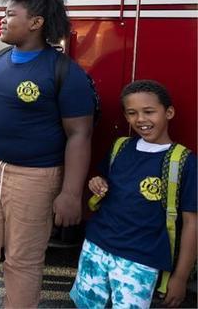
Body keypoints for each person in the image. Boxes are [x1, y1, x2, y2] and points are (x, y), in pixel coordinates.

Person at [0, 0, 95, 308]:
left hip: (36, 178)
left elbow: (80, 135)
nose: (2, 21)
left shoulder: (65, 72)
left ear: (36, 23)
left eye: (10, 14)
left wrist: (71, 194)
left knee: (22, 258)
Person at [70, 80, 196, 309]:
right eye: (132, 113)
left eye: (149, 112)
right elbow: (103, 180)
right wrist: (96, 182)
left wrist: (180, 277)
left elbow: (191, 223)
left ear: (169, 112)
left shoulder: (184, 162)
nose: (140, 119)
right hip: (96, 245)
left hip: (140, 258)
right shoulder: (121, 147)